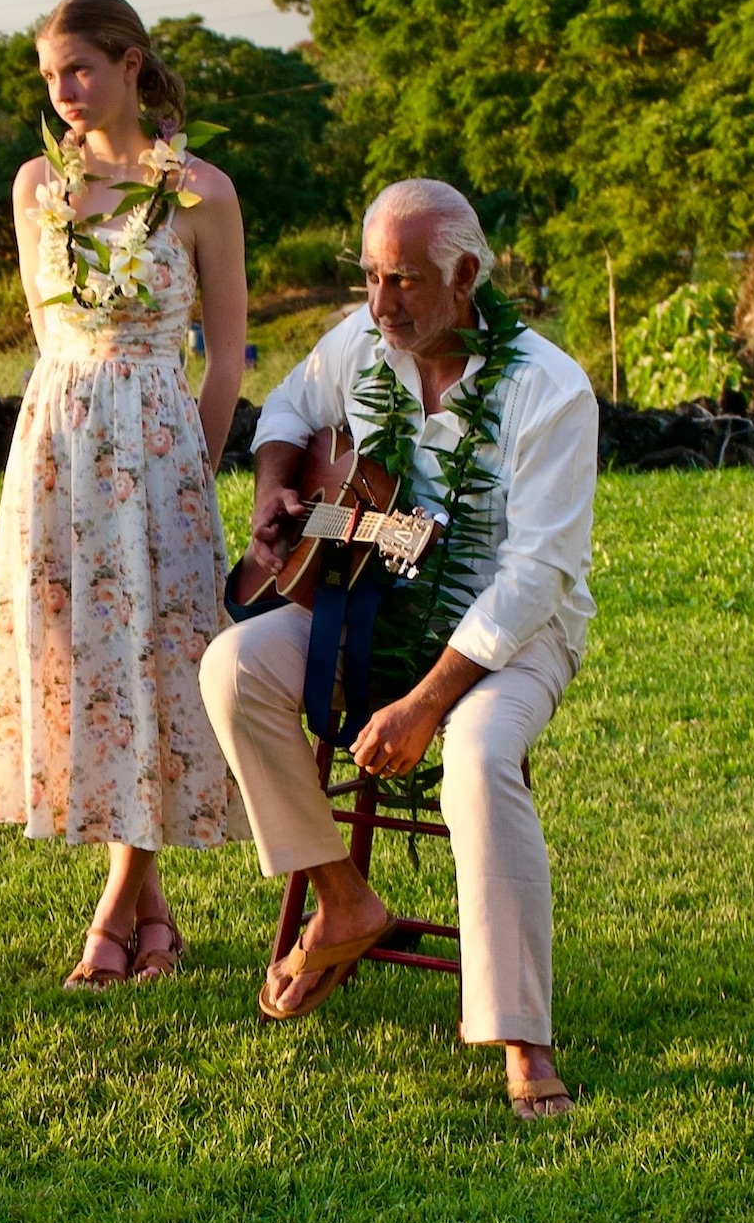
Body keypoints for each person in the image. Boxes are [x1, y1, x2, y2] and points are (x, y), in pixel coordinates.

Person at [208, 178, 597, 1118]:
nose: (382, 305)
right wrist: (271, 494)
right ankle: (343, 898)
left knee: (474, 753)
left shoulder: (550, 389)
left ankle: (521, 1035)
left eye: (407, 282)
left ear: (467, 277)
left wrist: (426, 703)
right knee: (233, 669)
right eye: (372, 278)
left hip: (513, 638)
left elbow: (535, 575)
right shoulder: (362, 343)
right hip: (368, 605)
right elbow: (290, 417)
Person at [0, 0, 250, 984]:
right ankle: (152, 916)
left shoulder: (199, 192)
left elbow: (224, 354)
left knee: (150, 659)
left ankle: (111, 915)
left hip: (158, 447)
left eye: (81, 70)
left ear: (132, 63)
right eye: (50, 77)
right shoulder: (33, 188)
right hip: (55, 440)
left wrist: (193, 464)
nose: (64, 93)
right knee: (83, 664)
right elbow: (48, 329)